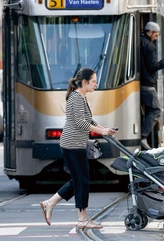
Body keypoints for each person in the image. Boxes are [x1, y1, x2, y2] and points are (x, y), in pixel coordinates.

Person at [39, 68, 117, 229]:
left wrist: (105, 129)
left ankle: (50, 203)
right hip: (72, 145)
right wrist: (101, 131)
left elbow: (89, 120)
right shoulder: (76, 98)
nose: (96, 84)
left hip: (76, 144)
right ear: (84, 82)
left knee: (78, 180)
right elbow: (80, 123)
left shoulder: (80, 97)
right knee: (81, 181)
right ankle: (82, 219)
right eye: (94, 81)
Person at [140, 21, 164, 150]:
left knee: (149, 110)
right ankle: (143, 137)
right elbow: (152, 67)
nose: (156, 37)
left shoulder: (140, 42)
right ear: (150, 32)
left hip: (141, 83)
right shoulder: (149, 46)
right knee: (155, 110)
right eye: (156, 35)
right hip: (147, 84)